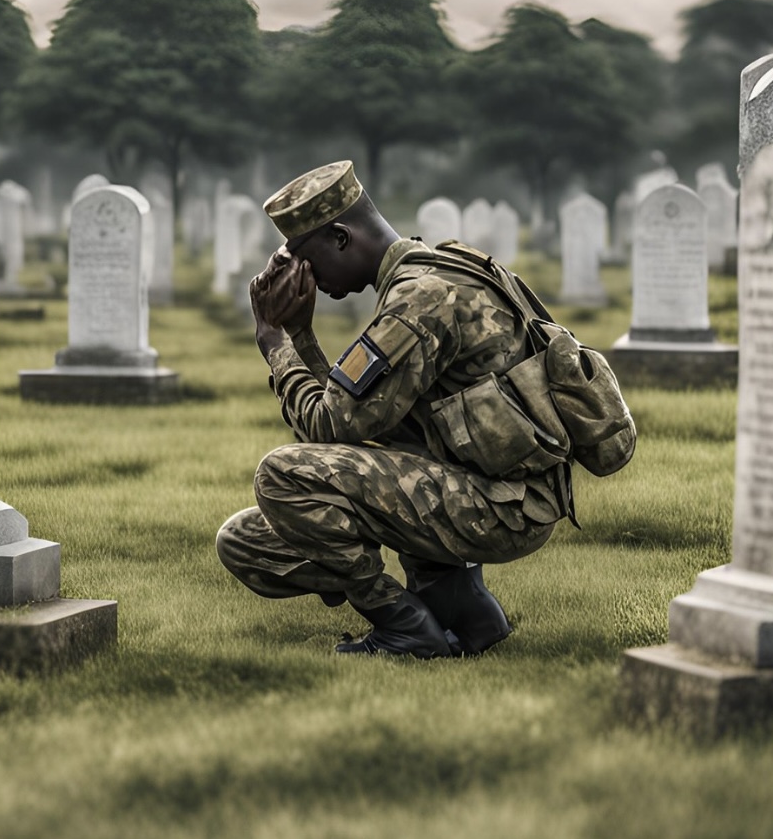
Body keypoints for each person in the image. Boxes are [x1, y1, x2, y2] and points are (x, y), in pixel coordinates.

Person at [215, 160, 577, 659]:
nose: (306, 278)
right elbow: (351, 416)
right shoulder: (438, 270)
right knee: (245, 540)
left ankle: (405, 626)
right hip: (501, 488)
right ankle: (465, 612)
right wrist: (301, 335)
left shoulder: (419, 301)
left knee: (281, 476)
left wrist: (275, 342)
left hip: (503, 507)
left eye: (306, 260)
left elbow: (326, 425)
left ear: (341, 238)